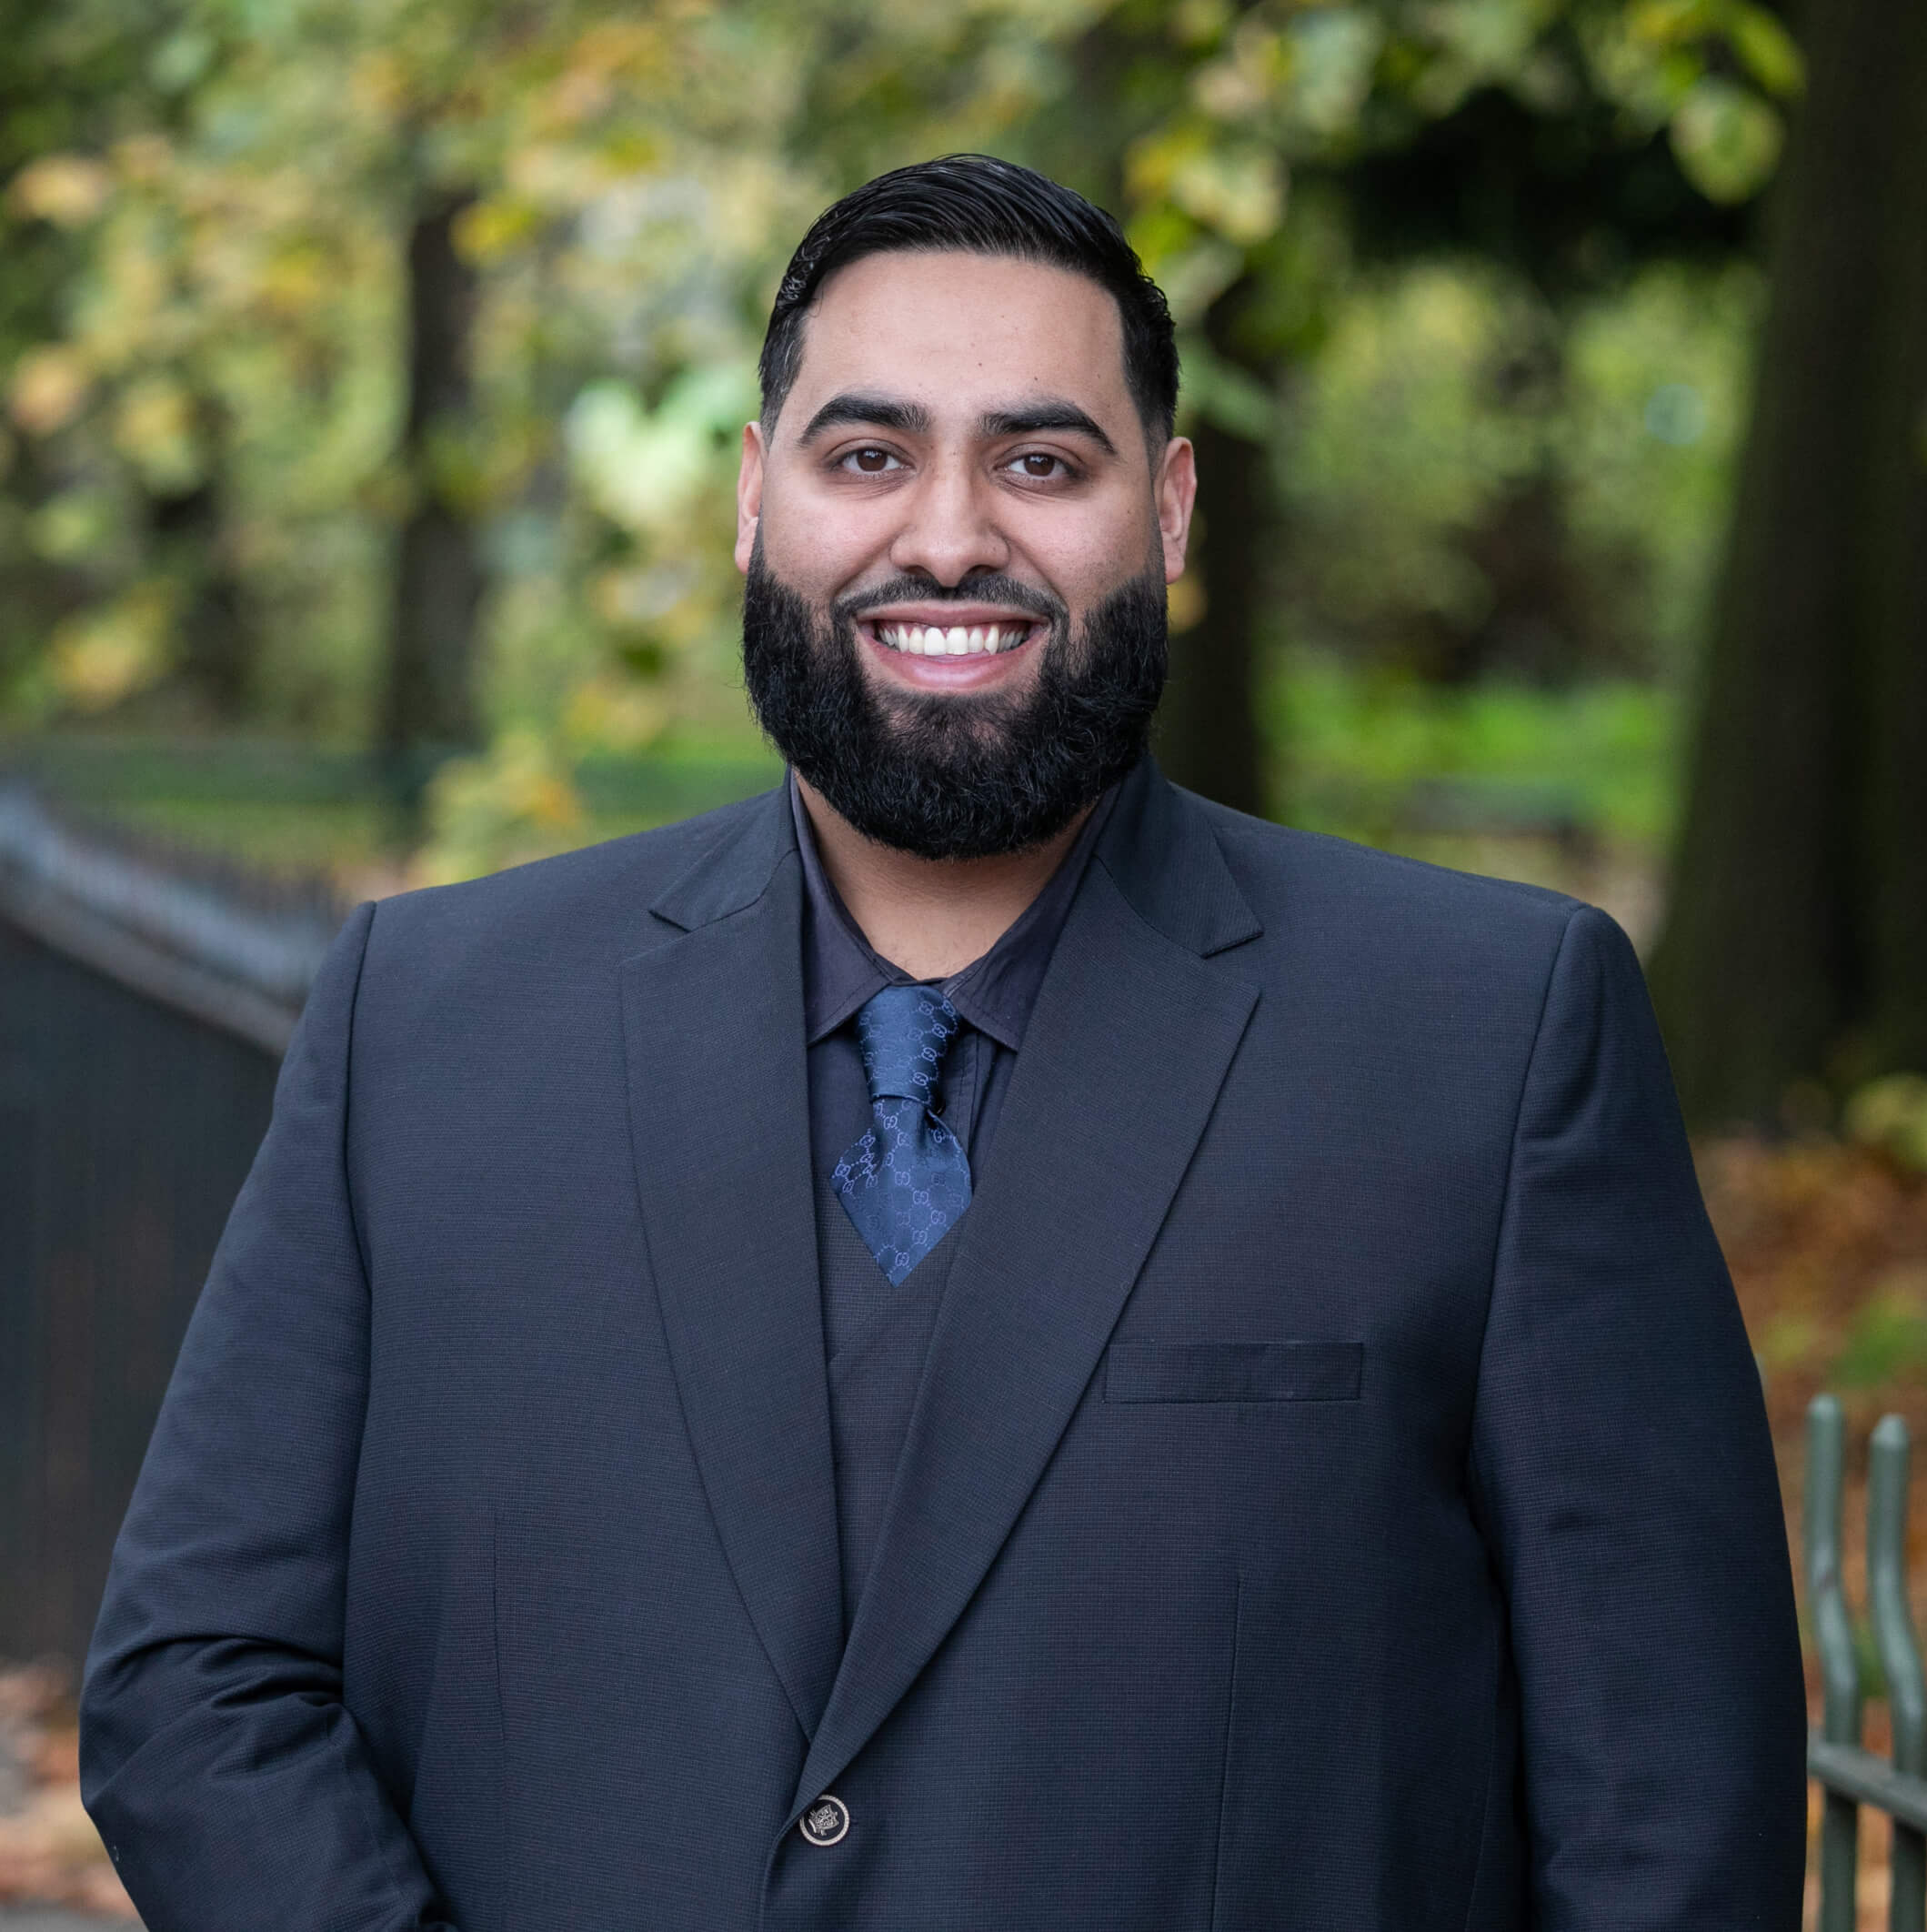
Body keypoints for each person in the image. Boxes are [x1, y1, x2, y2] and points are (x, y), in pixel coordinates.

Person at [80, 155, 1806, 1931]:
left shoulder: (1489, 1038)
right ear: (757, 499)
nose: (951, 534)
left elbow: (1668, 1810)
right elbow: (198, 1688)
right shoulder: (427, 1023)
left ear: (1176, 510)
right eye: (868, 453)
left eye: (1041, 460)